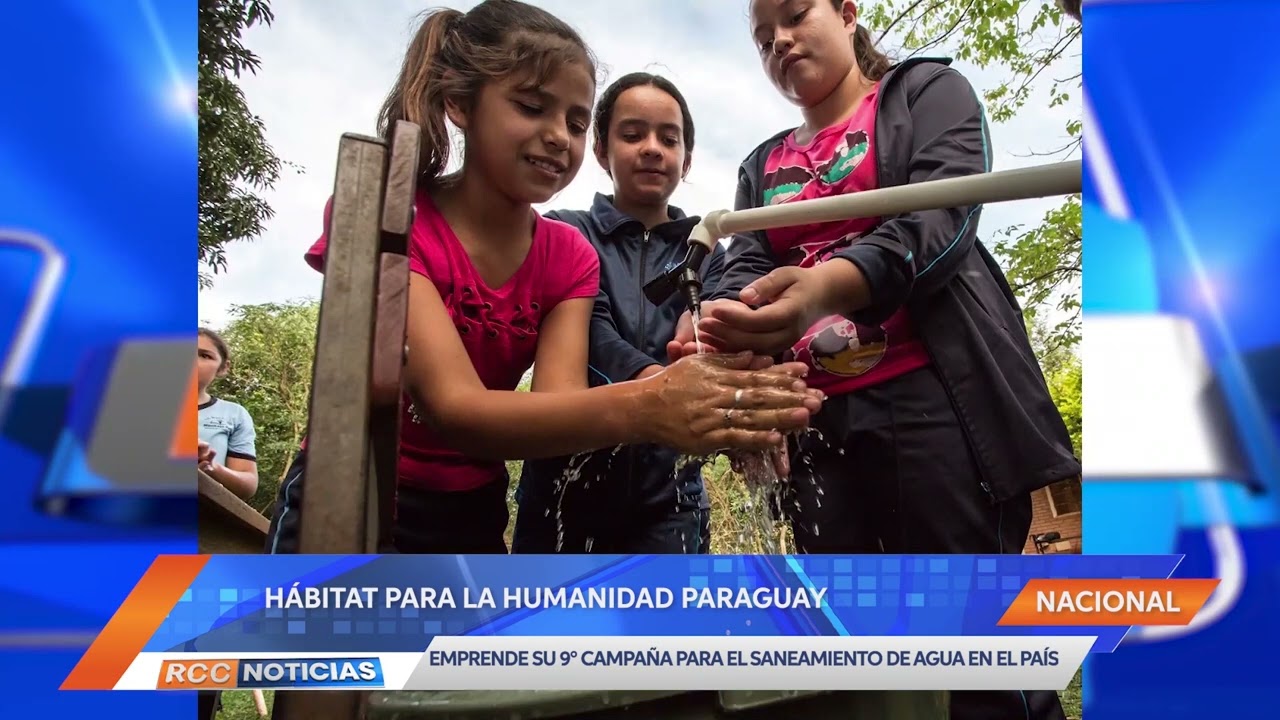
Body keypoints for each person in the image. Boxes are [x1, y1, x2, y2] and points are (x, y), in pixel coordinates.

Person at [265, 0, 821, 557]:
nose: (558, 135)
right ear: (460, 102)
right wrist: (655, 399)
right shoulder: (391, 218)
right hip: (350, 485)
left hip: (473, 507)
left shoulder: (568, 256)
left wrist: (729, 381)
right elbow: (453, 408)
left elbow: (561, 409)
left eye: (574, 122)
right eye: (532, 107)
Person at [669, 1, 1079, 718]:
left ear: (849, 11)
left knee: (974, 643)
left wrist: (822, 289)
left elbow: (940, 222)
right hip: (817, 422)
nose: (781, 41)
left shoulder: (926, 94)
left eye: (795, 15)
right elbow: (742, 265)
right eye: (764, 38)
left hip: (937, 406)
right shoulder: (761, 164)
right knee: (846, 648)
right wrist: (722, 321)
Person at [512, 72, 720, 555]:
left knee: (663, 630)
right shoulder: (564, 233)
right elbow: (591, 331)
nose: (652, 148)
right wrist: (657, 383)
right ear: (602, 151)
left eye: (669, 139)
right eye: (632, 134)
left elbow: (721, 342)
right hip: (562, 488)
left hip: (674, 499)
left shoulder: (710, 254)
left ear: (686, 159)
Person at [196, 327, 258, 500]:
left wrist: (210, 466)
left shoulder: (234, 414)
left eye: (204, 355)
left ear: (223, 367)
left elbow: (248, 485)